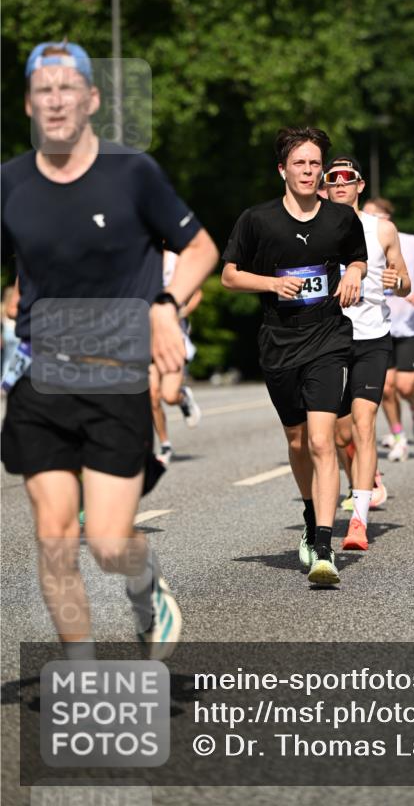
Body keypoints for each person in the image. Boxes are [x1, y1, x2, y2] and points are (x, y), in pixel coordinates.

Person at [1, 41, 219, 659]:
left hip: (116, 378)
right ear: (28, 104)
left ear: (91, 99)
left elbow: (203, 249)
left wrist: (166, 305)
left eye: (67, 87)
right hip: (41, 377)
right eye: (43, 89)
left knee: (108, 541)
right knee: (53, 536)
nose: (56, 99)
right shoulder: (10, 184)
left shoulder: (132, 174)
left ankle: (147, 590)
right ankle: (82, 671)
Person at [221, 127, 367, 587]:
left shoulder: (341, 219)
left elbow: (357, 257)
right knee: (298, 439)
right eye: (299, 163)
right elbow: (228, 276)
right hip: (279, 344)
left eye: (314, 163)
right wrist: (270, 284)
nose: (308, 171)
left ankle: (324, 548)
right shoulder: (257, 221)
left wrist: (355, 275)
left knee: (323, 440)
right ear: (282, 169)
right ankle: (309, 516)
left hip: (328, 338)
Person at [324, 157, 410, 551]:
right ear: (325, 187)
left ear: (360, 186)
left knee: (363, 422)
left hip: (373, 337)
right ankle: (366, 477)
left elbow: (405, 282)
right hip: (328, 339)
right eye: (332, 179)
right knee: (341, 436)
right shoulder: (313, 229)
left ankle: (357, 521)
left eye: (347, 179)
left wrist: (399, 281)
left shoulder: (383, 229)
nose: (340, 184)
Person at [363, 199, 414, 462]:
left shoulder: (412, 243)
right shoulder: (356, 242)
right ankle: (398, 436)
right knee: (386, 388)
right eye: (366, 213)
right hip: (376, 326)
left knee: (405, 387)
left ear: (388, 219)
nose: (369, 219)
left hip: (407, 325)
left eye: (376, 215)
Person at [150, 249, 202, 468]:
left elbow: (197, 294)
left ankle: (182, 398)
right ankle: (165, 444)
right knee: (151, 395)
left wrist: (178, 314)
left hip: (172, 339)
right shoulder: (134, 256)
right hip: (144, 340)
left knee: (168, 396)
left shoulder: (176, 259)